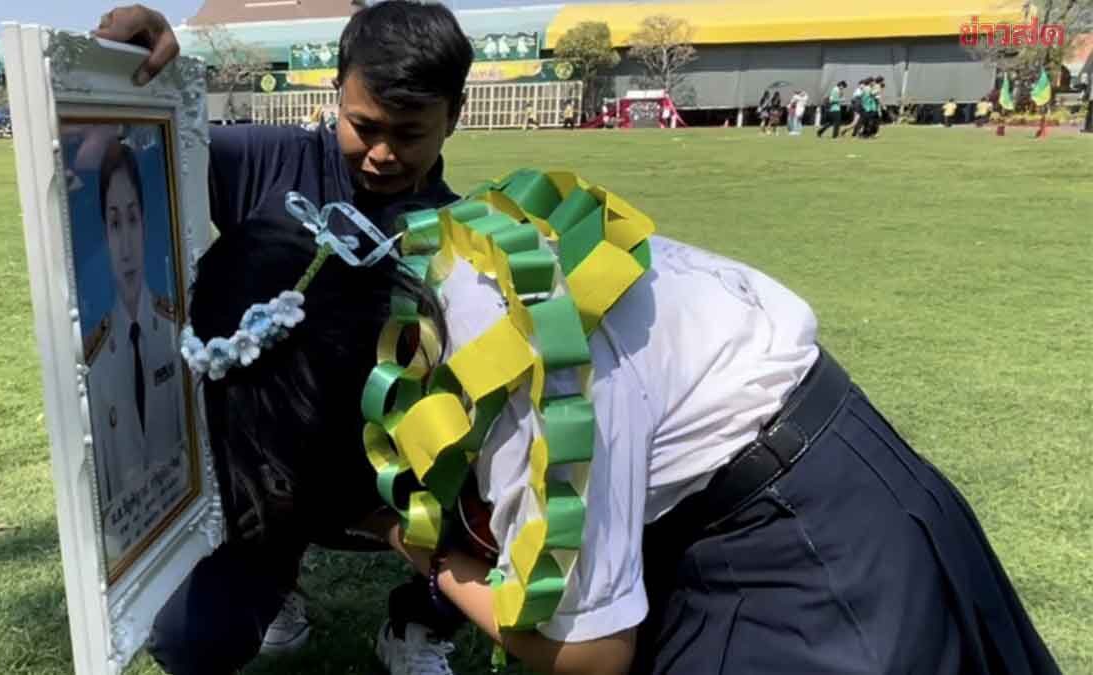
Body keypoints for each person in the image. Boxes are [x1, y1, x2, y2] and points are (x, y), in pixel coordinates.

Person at [178, 173, 1061, 675]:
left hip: (808, 542)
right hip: (804, 473)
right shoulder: (443, 265)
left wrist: (429, 557)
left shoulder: (525, 373)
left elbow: (590, 656)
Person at [94, 2, 473, 673]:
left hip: (391, 487)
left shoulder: (465, 237)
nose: (383, 153)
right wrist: (132, 77)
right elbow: (136, 154)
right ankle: (280, 583)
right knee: (189, 638)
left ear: (456, 115)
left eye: (410, 133)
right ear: (337, 93)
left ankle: (420, 623)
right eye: (365, 126)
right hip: (269, 487)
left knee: (490, 497)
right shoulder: (263, 162)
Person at [84, 138, 187, 565]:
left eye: (132, 219)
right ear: (104, 234)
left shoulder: (174, 326)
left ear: (145, 224)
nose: (125, 243)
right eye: (114, 224)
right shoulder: (94, 358)